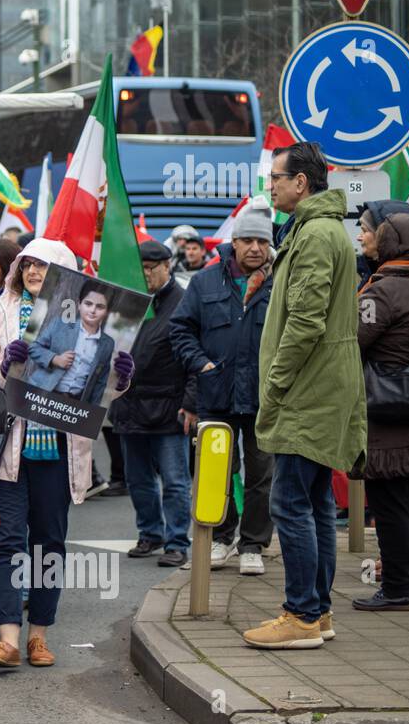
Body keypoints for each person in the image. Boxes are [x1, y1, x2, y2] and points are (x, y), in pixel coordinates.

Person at [0, 239, 134, 669]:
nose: (32, 272)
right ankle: (7, 639)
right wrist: (5, 365)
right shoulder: (1, 313)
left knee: (48, 543)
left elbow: (100, 390)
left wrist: (120, 379)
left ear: (66, 276)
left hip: (60, 451)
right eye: (27, 265)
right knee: (6, 541)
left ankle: (39, 636)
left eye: (43, 267)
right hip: (9, 450)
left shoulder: (91, 320)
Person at [245, 142, 366, 650]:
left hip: (305, 391)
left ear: (302, 183)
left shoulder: (315, 233)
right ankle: (318, 612)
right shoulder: (322, 229)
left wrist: (274, 383)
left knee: (290, 503)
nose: (270, 185)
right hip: (320, 389)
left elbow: (305, 322)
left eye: (276, 178)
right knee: (314, 504)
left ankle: (299, 616)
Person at [170, 205, 276, 574]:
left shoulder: (281, 282)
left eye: (262, 241)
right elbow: (180, 328)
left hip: (265, 399)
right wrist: (201, 363)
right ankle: (221, 537)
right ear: (234, 242)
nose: (255, 248)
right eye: (248, 240)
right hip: (217, 395)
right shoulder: (205, 281)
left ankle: (253, 545)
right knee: (217, 471)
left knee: (262, 476)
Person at [352, 207, 409, 611]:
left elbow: (350, 342)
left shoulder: (382, 291)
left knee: (390, 508)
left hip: (386, 418)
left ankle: (396, 588)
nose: (363, 237)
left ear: (392, 241)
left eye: (369, 231)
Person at [110, 241, 194, 567]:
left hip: (169, 406)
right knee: (138, 479)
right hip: (129, 405)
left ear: (167, 265)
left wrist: (191, 403)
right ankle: (150, 534)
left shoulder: (183, 302)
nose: (145, 273)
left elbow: (192, 359)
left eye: (151, 267)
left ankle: (176, 541)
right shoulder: (126, 300)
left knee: (174, 480)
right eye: (141, 267)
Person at [26, 279, 117, 403]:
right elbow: (33, 348)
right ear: (79, 305)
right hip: (42, 393)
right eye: (88, 304)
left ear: (107, 312)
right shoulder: (60, 324)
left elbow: (100, 381)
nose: (92, 310)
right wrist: (54, 359)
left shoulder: (107, 344)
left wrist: (92, 411)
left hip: (74, 405)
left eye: (100, 307)